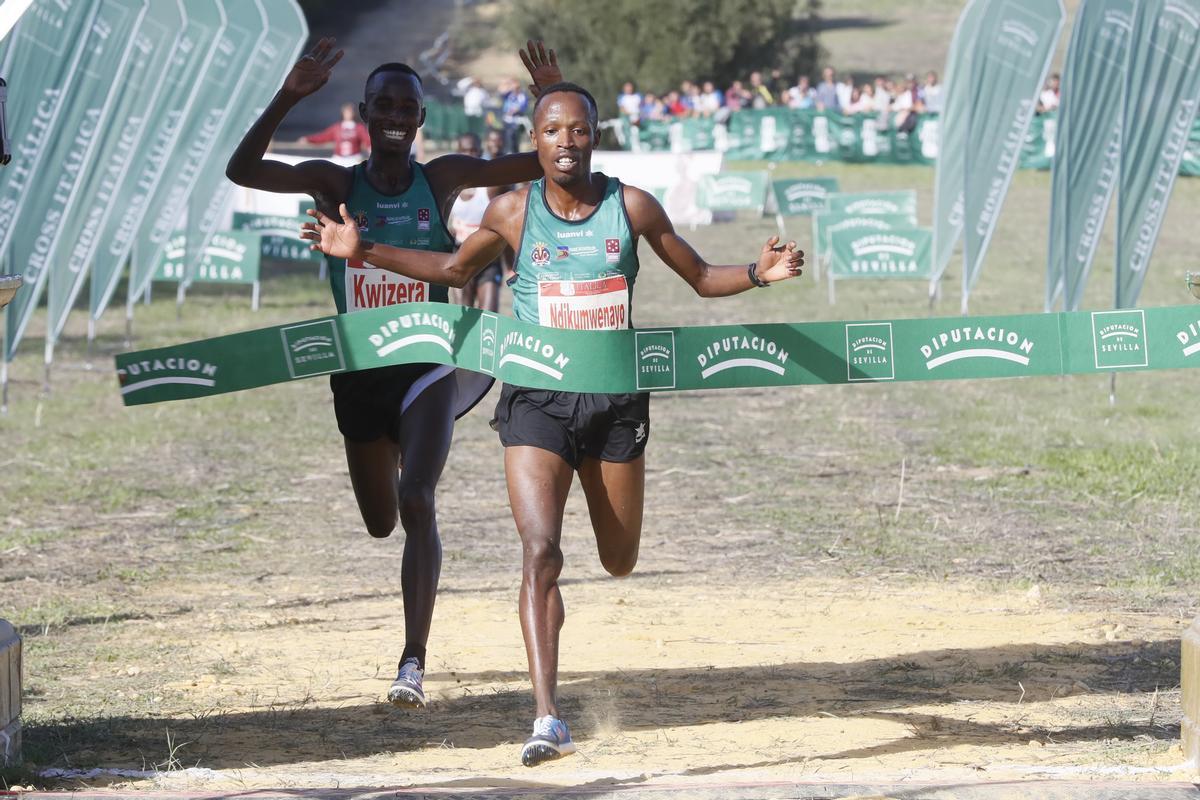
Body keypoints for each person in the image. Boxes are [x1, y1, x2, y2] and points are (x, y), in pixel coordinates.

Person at [301, 82, 805, 767]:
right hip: (534, 399)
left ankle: (568, 662)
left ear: (594, 136)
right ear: (533, 142)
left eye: (578, 130)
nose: (566, 141)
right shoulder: (512, 211)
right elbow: (452, 269)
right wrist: (362, 252)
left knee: (618, 558)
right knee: (540, 551)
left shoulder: (631, 207)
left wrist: (757, 272)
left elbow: (700, 274)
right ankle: (547, 717)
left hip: (614, 402)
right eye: (552, 130)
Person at [226, 36, 563, 711]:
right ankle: (394, 491)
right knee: (381, 521)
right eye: (383, 104)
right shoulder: (334, 182)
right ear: (365, 110)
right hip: (359, 376)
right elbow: (243, 170)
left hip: (427, 364)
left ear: (418, 121)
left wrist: (549, 97)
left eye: (405, 107)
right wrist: (289, 95)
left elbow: (548, 159)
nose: (394, 115)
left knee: (418, 497)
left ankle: (413, 659)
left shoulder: (438, 180)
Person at [447, 132, 503, 312]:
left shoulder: (491, 187)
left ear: (480, 152)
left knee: (490, 318)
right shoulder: (448, 188)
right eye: (465, 151)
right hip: (461, 259)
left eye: (473, 150)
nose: (469, 155)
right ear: (457, 152)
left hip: (488, 259)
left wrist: (511, 265)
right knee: (464, 317)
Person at [299, 103, 371, 166]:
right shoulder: (337, 128)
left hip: (354, 158)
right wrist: (309, 139)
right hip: (339, 159)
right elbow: (323, 137)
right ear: (343, 113)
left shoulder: (359, 128)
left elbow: (367, 140)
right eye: (346, 112)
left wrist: (370, 149)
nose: (348, 114)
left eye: (350, 112)